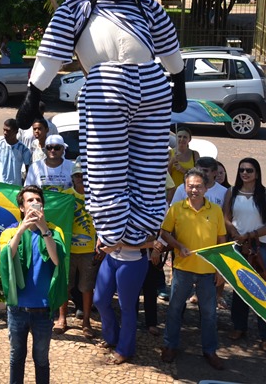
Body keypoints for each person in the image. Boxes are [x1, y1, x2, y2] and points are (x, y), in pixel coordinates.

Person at [18, 0, 184, 250]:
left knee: (112, 168)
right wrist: (178, 81)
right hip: (149, 82)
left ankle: (121, 233)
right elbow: (170, 49)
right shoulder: (136, 6)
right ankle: (135, 232)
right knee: (142, 168)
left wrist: (33, 94)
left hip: (117, 85)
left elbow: (52, 53)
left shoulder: (79, 7)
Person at [0, 185, 67, 384]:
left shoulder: (54, 231)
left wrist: (44, 228)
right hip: (17, 308)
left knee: (41, 360)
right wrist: (21, 231)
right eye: (30, 200)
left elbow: (57, 260)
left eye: (38, 200)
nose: (34, 203)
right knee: (16, 358)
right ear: (21, 207)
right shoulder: (10, 232)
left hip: (44, 310)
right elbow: (7, 258)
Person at [160, 168, 226, 370]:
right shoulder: (176, 208)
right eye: (190, 186)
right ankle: (170, 345)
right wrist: (179, 246)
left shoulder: (215, 211)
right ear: (185, 187)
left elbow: (221, 240)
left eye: (198, 186)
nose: (194, 190)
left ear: (206, 188)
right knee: (174, 309)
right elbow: (164, 232)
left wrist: (220, 270)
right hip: (183, 268)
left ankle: (210, 350)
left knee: (209, 313)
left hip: (208, 270)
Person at [223, 157, 266, 349]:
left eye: (249, 170)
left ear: (257, 173)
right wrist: (234, 233)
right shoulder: (231, 192)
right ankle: (239, 326)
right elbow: (226, 217)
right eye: (241, 170)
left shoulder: (264, 195)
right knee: (240, 288)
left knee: (261, 289)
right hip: (238, 245)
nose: (245, 173)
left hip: (260, 247)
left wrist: (251, 235)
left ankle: (264, 334)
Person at [93, 238, 151, 364]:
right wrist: (101, 238)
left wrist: (119, 244)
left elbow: (154, 242)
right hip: (111, 258)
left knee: (126, 307)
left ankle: (125, 350)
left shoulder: (150, 217)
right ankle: (112, 337)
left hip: (133, 262)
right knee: (99, 300)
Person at [62, 162, 98, 339]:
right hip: (68, 249)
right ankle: (62, 318)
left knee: (87, 287)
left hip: (89, 250)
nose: (80, 179)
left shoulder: (96, 198)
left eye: (83, 176)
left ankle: (86, 321)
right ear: (72, 178)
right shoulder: (65, 196)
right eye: (77, 176)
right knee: (65, 285)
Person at [0, 118, 32, 185]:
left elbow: (28, 169)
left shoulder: (23, 149)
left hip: (15, 186)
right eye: (4, 130)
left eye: (8, 131)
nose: (5, 133)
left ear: (15, 131)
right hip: (0, 184)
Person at [167, 127, 199, 203]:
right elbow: (166, 175)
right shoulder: (170, 153)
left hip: (190, 192)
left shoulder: (195, 154)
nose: (182, 139)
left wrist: (182, 170)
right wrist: (171, 161)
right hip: (173, 192)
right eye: (179, 136)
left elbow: (198, 175)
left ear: (189, 139)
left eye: (185, 137)